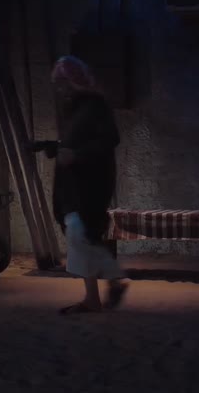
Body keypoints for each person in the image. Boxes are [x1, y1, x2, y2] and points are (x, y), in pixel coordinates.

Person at [48, 55, 128, 314]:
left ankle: (108, 284)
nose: (60, 89)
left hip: (90, 184)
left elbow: (109, 139)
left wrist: (77, 155)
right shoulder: (74, 109)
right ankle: (100, 291)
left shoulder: (95, 105)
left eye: (63, 83)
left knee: (81, 234)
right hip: (74, 184)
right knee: (81, 235)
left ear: (74, 80)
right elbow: (74, 141)